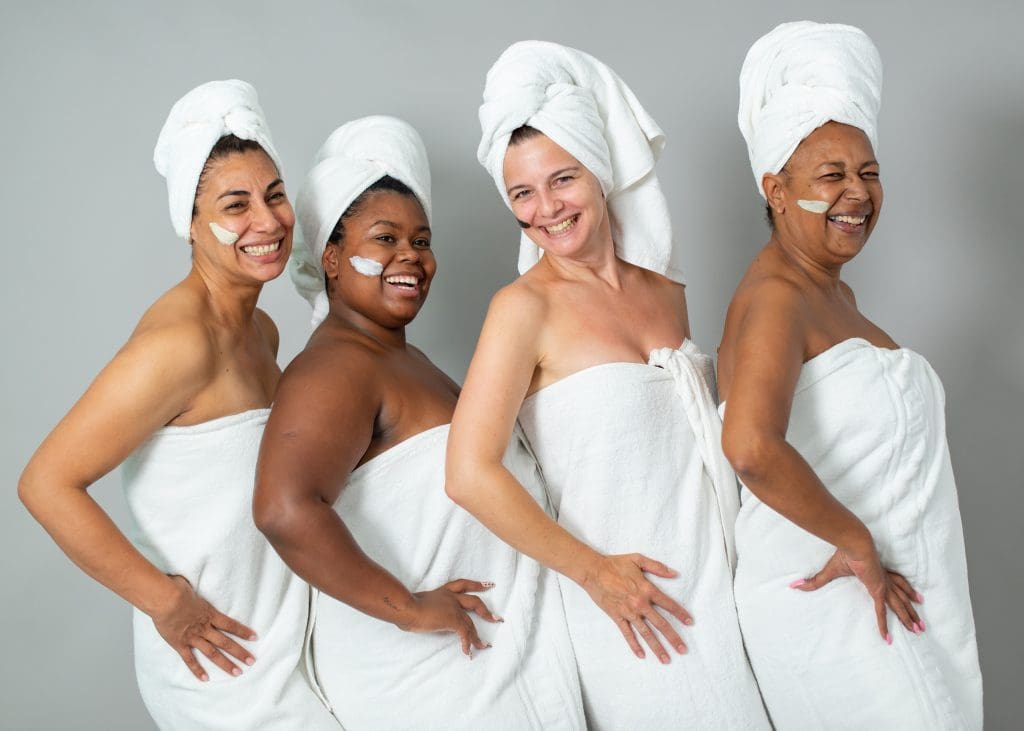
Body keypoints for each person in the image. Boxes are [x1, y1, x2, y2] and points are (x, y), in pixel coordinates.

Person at [446, 41, 768, 730]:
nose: (545, 209)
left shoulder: (665, 291)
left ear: (600, 170)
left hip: (723, 589)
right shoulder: (522, 308)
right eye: (522, 193)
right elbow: (468, 472)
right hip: (634, 612)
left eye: (561, 180)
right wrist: (594, 573)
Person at [17, 80, 338, 729]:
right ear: (190, 224)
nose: (268, 220)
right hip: (221, 666)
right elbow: (45, 483)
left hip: (283, 646)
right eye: (235, 204)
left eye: (275, 194)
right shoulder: (179, 345)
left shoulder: (260, 331)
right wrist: (164, 603)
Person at [253, 115, 585, 731]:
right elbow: (283, 508)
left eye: (423, 240)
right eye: (384, 239)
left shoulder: (404, 359)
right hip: (422, 680)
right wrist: (407, 609)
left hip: (482, 668)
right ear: (331, 255)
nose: (410, 255)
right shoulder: (334, 368)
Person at [718, 21, 983, 729]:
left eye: (868, 171)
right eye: (830, 175)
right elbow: (748, 444)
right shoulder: (777, 296)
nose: (857, 193)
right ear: (777, 189)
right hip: (835, 596)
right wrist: (856, 540)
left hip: (873, 598)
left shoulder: (830, 293)